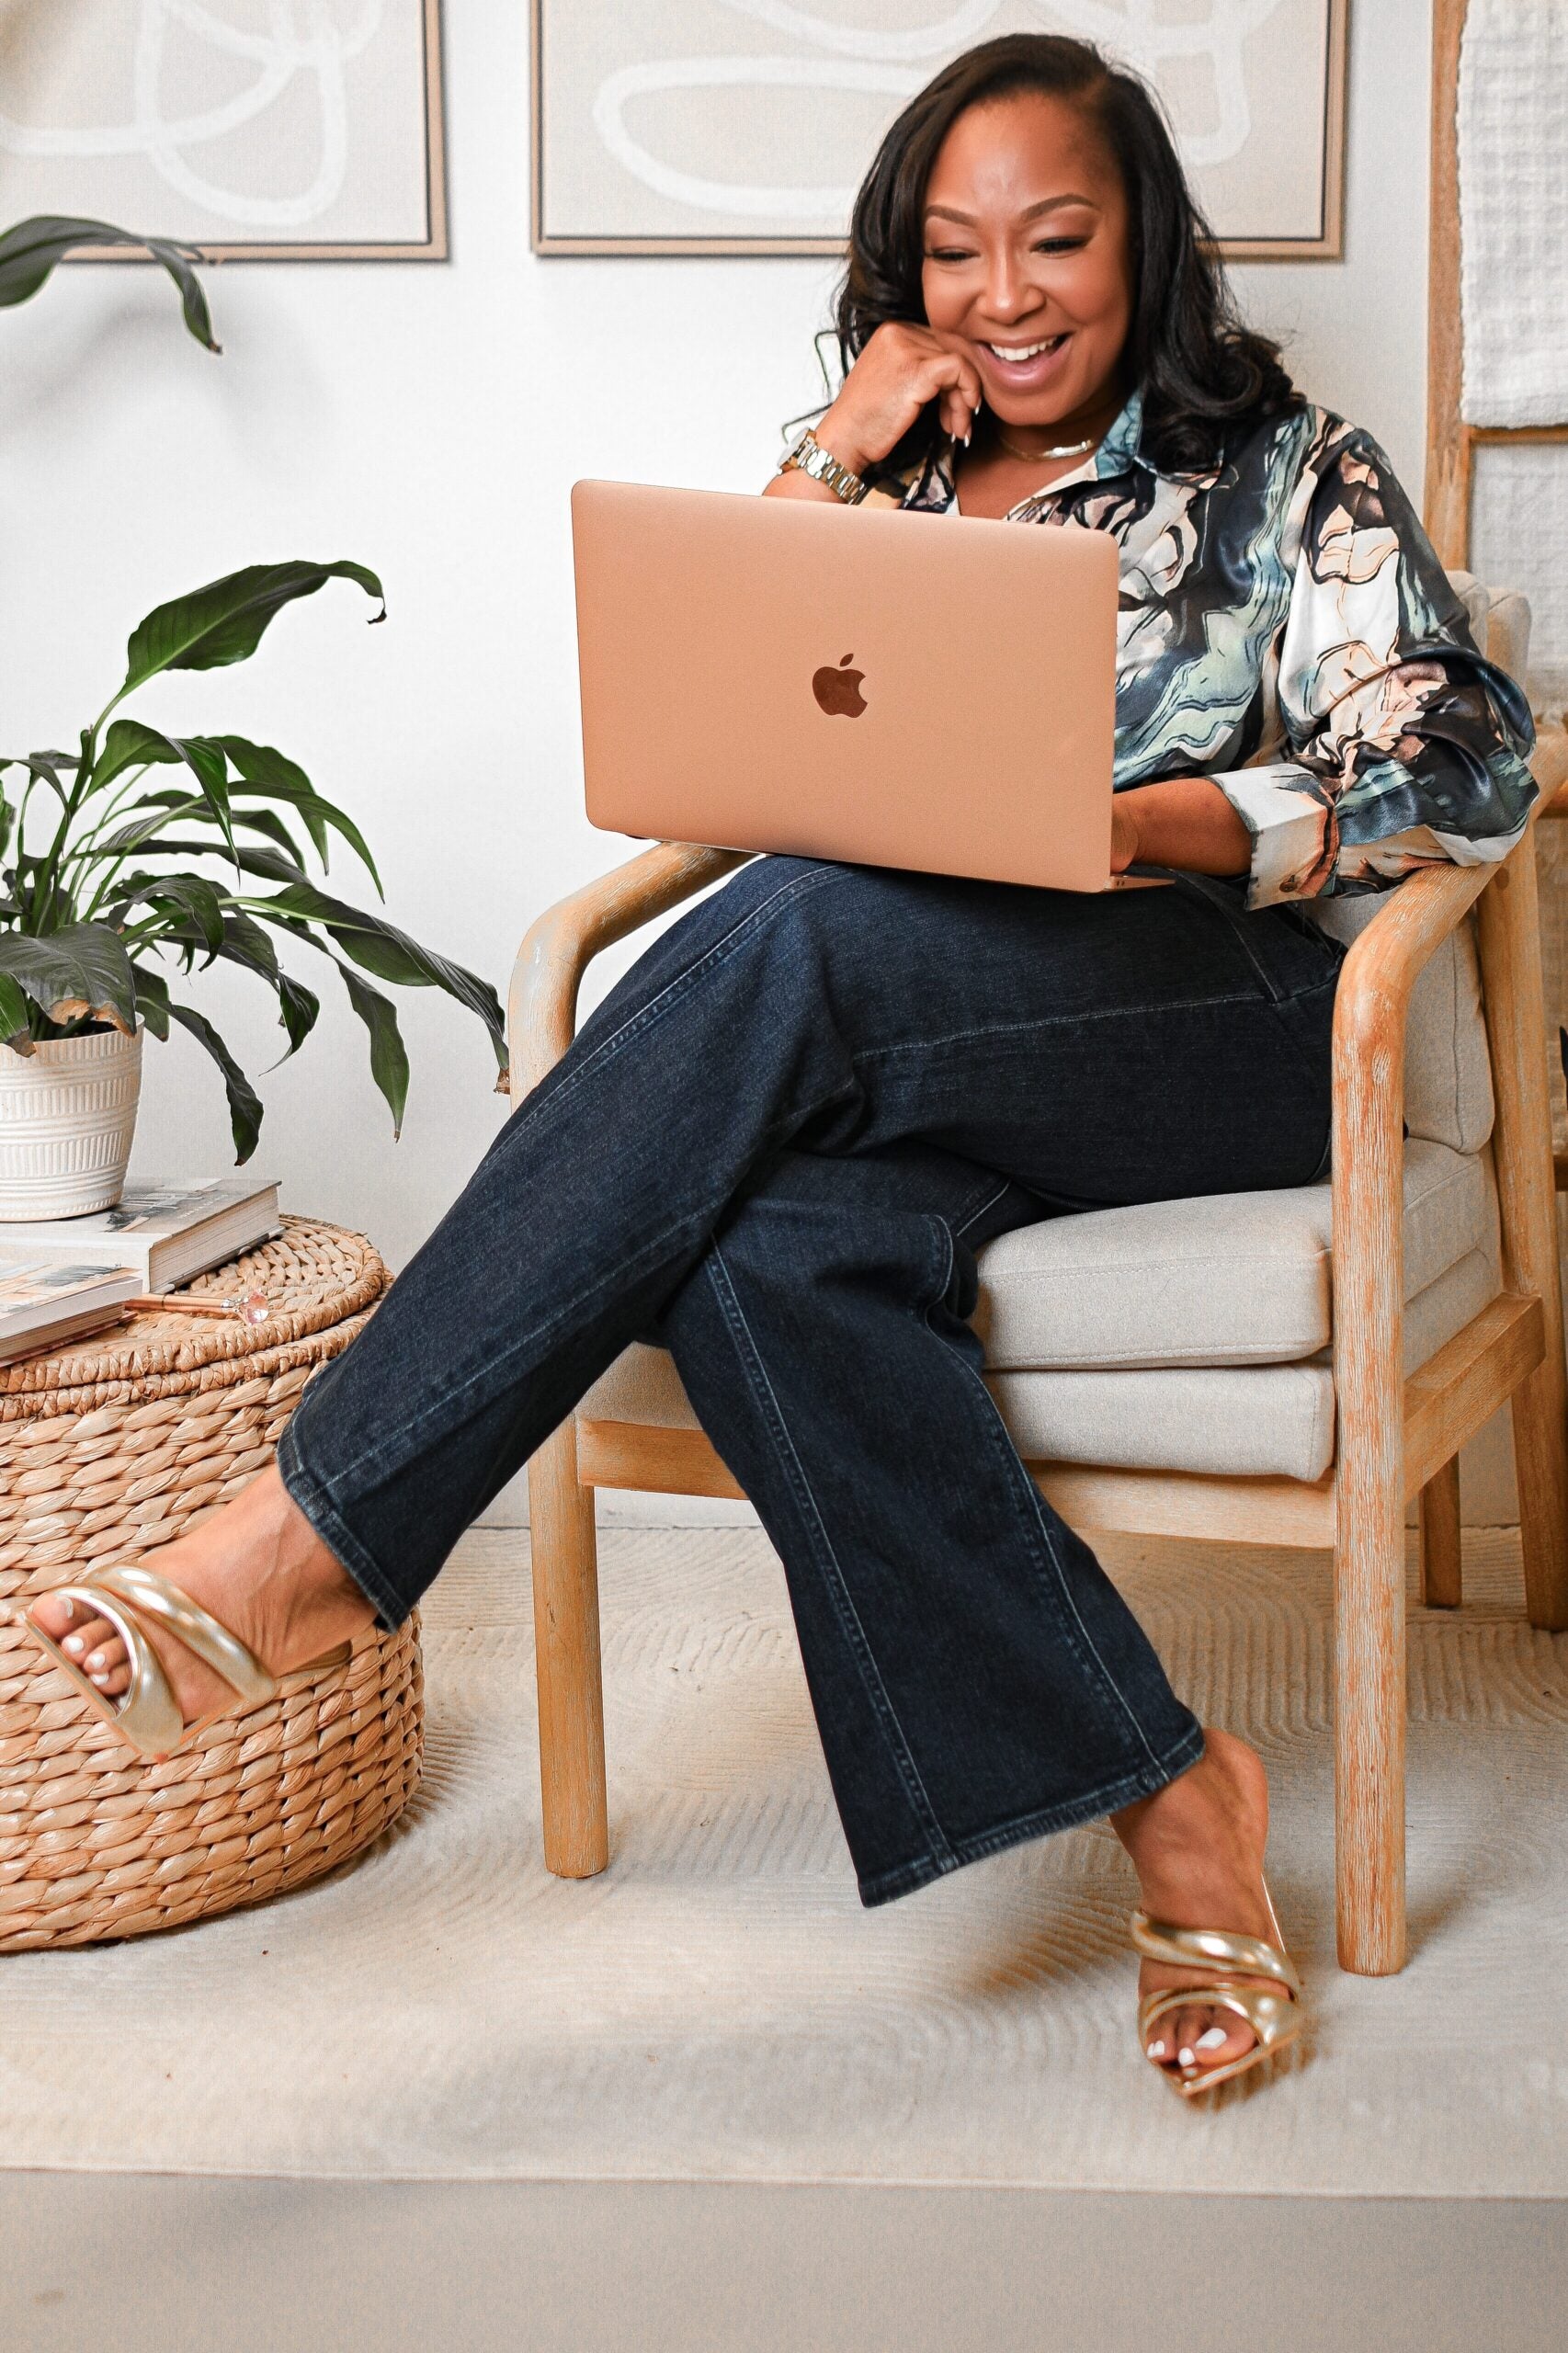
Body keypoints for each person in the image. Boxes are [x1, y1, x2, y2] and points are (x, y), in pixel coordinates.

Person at [25, 35, 1536, 2097]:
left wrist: (1153, 822)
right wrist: (833, 447)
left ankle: (314, 1530)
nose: (1007, 295)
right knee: (761, 1247)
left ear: (1146, 244)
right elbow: (730, 744)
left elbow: (1468, 756)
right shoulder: (895, 466)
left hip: (1226, 1013)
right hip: (909, 1023)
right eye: (956, 251)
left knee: (803, 934)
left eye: (1058, 241)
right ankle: (1177, 1794)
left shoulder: (1286, 466)